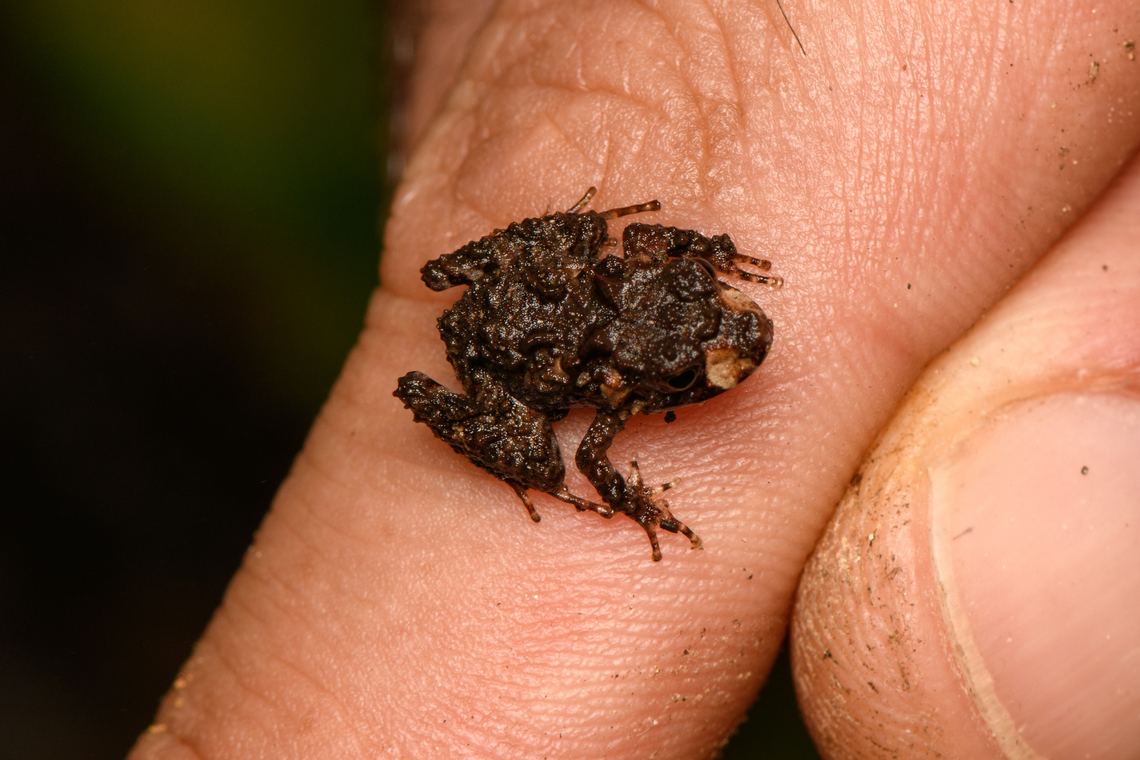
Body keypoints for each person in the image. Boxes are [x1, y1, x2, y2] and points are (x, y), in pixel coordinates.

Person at [130, 1, 1140, 758]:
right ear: (639, 384)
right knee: (541, 456)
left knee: (583, 250)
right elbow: (600, 460)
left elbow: (652, 243)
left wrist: (708, 260)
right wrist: (638, 506)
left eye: (710, 318)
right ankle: (483, 415)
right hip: (504, 360)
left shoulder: (653, 277)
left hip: (538, 293)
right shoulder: (613, 395)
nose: (734, 339)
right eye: (701, 366)